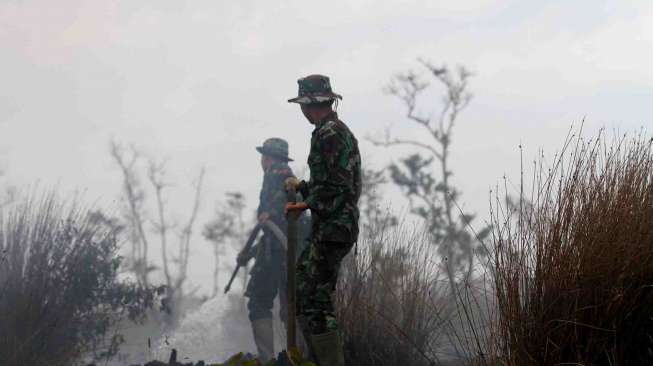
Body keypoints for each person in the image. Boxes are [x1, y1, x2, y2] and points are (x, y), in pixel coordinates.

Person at [285, 74, 361, 366]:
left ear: (310, 105)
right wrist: (302, 186)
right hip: (330, 227)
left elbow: (338, 187)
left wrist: (303, 204)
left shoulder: (330, 134)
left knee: (315, 301)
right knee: (303, 290)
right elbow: (326, 181)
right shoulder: (329, 131)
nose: (302, 112)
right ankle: (312, 359)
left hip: (334, 228)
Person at [237, 137, 296, 361]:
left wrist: (270, 210)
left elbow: (291, 190)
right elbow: (269, 234)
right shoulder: (274, 175)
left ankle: (268, 359)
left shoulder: (279, 171)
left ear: (268, 157)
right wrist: (248, 254)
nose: (262, 161)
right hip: (280, 249)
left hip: (281, 251)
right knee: (288, 306)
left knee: (260, 301)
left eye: (263, 156)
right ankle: (295, 358)